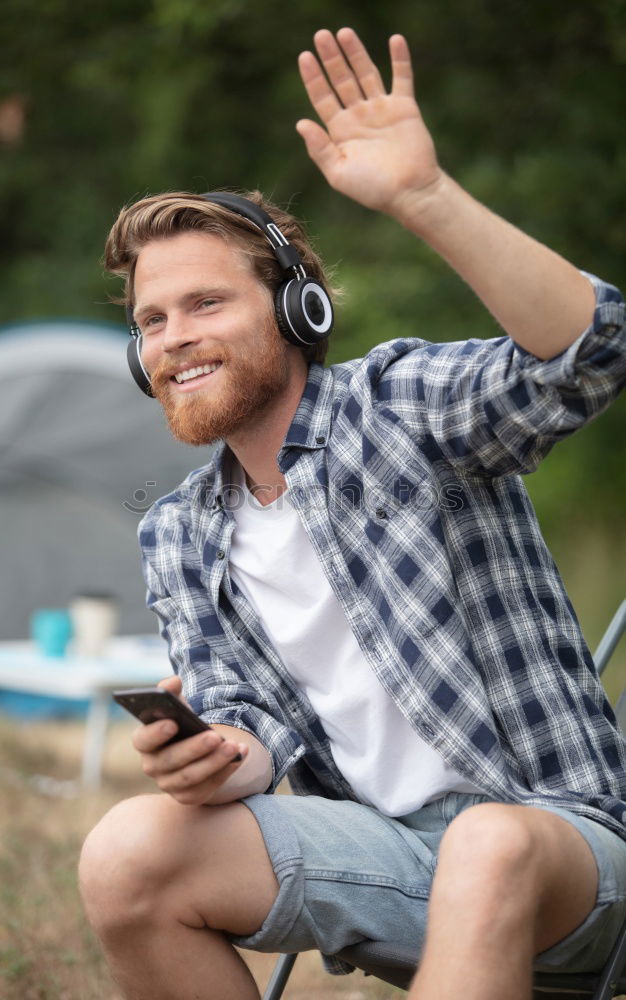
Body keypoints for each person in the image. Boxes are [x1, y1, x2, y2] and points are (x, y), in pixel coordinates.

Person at [79, 27, 626, 1000]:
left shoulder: (402, 408)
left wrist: (424, 197)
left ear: (301, 313)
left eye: (204, 303)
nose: (172, 340)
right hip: (386, 858)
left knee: (488, 843)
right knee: (128, 849)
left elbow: (587, 353)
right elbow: (247, 722)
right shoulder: (178, 530)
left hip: (564, 851)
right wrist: (217, 757)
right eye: (151, 322)